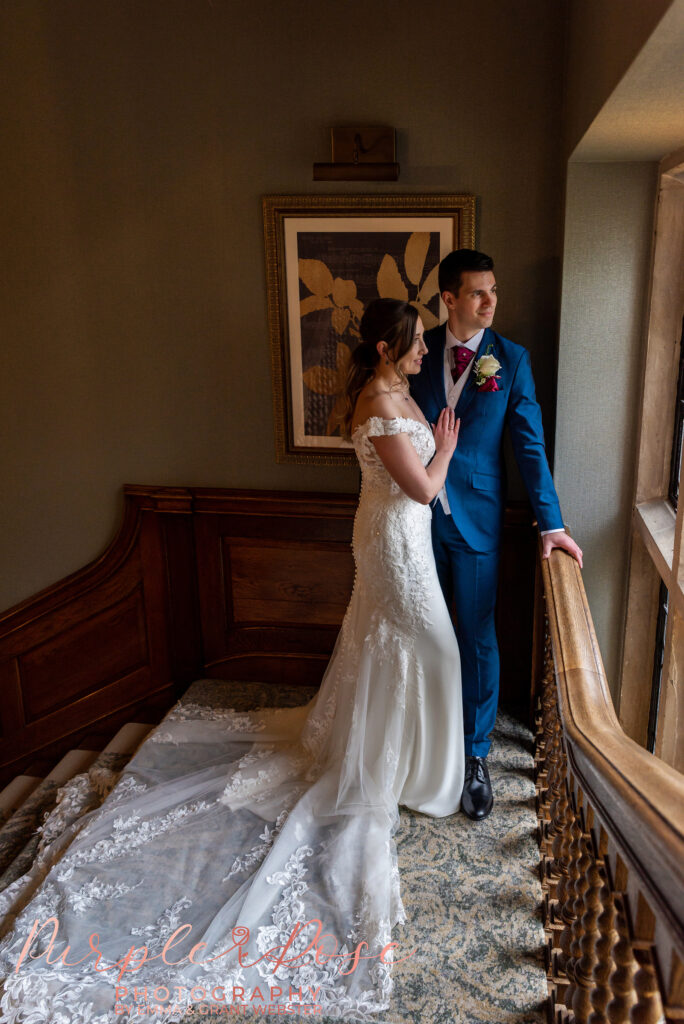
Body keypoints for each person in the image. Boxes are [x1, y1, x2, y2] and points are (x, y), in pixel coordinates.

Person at [0, 299, 463, 1023]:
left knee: (406, 649)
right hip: (395, 541)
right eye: (412, 344)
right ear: (383, 348)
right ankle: (391, 767)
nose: (421, 351)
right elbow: (425, 488)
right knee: (422, 647)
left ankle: (407, 761)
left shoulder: (394, 388)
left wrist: (431, 425)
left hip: (397, 540)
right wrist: (446, 448)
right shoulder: (378, 403)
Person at [410, 248, 583, 822]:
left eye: (494, 292)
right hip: (414, 518)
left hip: (480, 520)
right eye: (478, 293)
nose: (490, 303)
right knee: (420, 629)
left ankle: (475, 755)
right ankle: (425, 744)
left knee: (477, 635)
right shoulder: (418, 349)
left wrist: (551, 524)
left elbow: (529, 447)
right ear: (449, 299)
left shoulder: (511, 360)